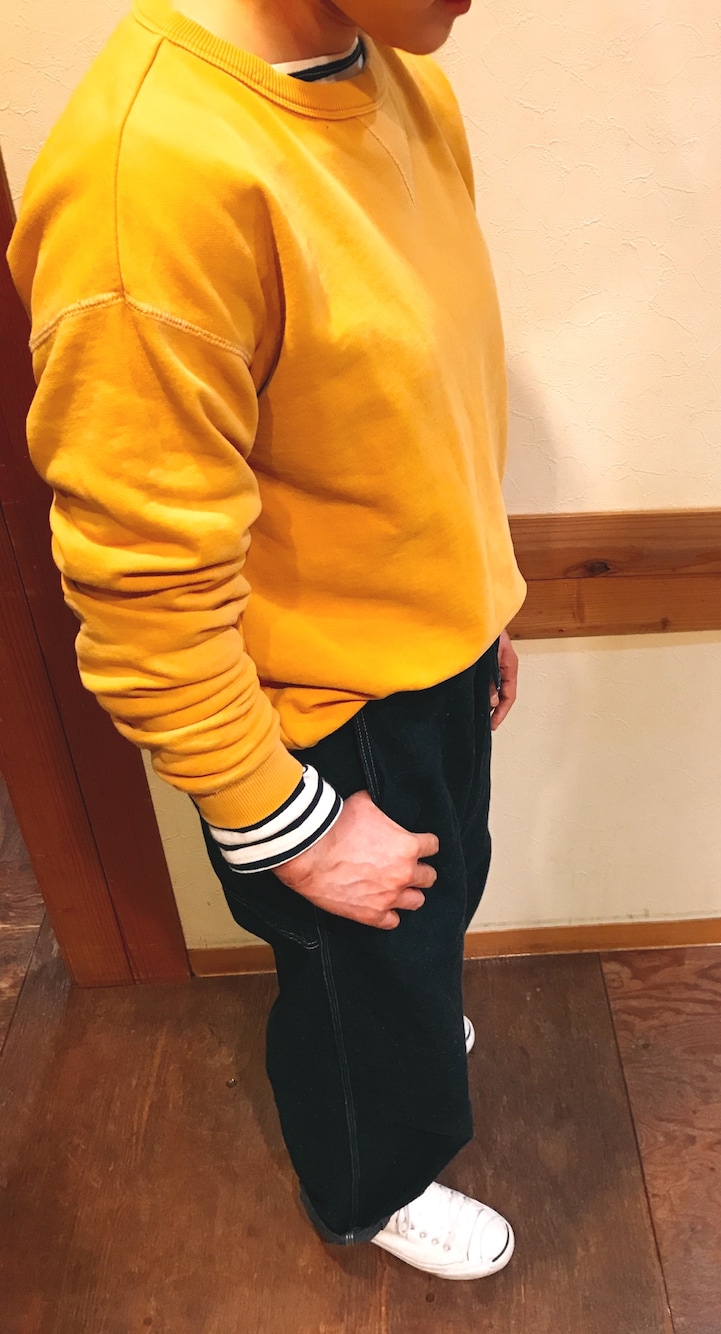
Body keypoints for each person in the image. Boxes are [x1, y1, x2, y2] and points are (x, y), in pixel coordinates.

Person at [8, 0, 526, 1282]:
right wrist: (288, 824)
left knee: (425, 926)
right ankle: (369, 1182)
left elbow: (419, 402)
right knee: (356, 988)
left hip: (431, 656)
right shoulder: (152, 183)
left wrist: (481, 602)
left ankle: (402, 1030)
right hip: (321, 715)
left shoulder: (398, 74)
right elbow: (140, 589)